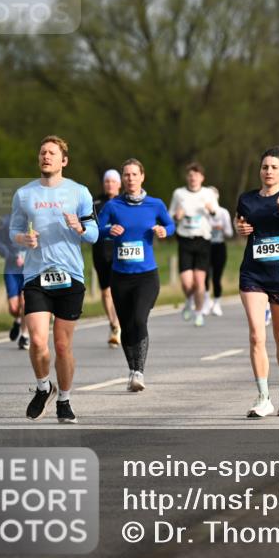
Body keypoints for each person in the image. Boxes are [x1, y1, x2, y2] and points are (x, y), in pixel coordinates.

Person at [10, 135, 98, 424]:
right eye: (42, 152)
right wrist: (24, 238)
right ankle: (43, 387)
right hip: (36, 275)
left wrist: (80, 227)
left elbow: (95, 234)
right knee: (37, 340)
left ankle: (64, 400)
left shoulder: (80, 192)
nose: (46, 156)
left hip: (70, 276)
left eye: (52, 153)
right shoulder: (24, 194)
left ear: (64, 161)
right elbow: (14, 231)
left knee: (62, 345)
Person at [236, 147, 279, 418]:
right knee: (256, 335)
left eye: (274, 167)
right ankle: (263, 396)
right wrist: (239, 229)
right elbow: (240, 224)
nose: (268, 172)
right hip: (253, 274)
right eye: (265, 167)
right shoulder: (247, 199)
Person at [98, 159, 175, 392]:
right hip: (120, 276)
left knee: (139, 320)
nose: (130, 178)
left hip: (146, 276)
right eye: (126, 175)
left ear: (142, 177)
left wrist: (164, 230)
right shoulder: (113, 206)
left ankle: (139, 371)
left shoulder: (155, 204)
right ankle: (131, 369)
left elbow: (171, 225)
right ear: (123, 179)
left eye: (134, 174)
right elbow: (96, 232)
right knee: (126, 325)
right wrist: (108, 231)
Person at [169, 162, 219, 327]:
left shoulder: (208, 194)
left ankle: (198, 312)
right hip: (185, 239)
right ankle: (188, 299)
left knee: (199, 281)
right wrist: (177, 215)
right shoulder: (179, 193)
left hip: (203, 239)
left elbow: (217, 214)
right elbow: (170, 216)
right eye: (190, 175)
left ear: (202, 178)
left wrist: (211, 210)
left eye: (196, 175)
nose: (193, 178)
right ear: (187, 177)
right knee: (186, 282)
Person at [92, 170, 122, 347]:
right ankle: (113, 323)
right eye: (107, 181)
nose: (110, 184)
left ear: (119, 184)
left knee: (117, 290)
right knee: (105, 291)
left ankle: (119, 323)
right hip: (101, 251)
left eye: (113, 181)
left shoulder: (124, 202)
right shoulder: (96, 203)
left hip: (120, 251)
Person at [0, 214, 28, 349]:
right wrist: (11, 256)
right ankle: (18, 319)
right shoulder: (5, 221)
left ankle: (25, 336)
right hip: (11, 270)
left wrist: (27, 257)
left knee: (26, 303)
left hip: (29, 270)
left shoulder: (36, 219)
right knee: (14, 308)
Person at [204, 186, 233, 317]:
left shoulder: (223, 212)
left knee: (216, 277)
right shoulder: (203, 213)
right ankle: (206, 301)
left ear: (217, 197)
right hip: (205, 246)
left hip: (219, 246)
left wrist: (221, 228)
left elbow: (230, 233)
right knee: (204, 276)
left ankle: (216, 303)